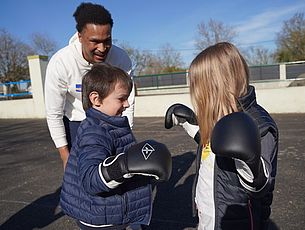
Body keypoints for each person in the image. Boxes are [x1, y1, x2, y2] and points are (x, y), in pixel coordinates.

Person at [165, 42, 278, 230]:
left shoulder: (259, 125)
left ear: (215, 86)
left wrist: (249, 161)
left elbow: (261, 186)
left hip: (235, 220)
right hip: (209, 211)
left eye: (198, 86)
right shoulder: (220, 115)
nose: (195, 93)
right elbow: (213, 148)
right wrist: (190, 123)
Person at [60, 63, 172, 230]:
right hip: (102, 219)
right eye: (121, 98)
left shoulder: (111, 124)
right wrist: (124, 165)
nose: (126, 104)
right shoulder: (95, 131)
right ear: (96, 99)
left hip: (110, 211)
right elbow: (90, 179)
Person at [44, 2, 135, 169]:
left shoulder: (120, 59)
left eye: (107, 40)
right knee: (81, 177)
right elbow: (54, 113)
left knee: (117, 172)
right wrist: (65, 156)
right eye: (95, 41)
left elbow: (127, 104)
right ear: (80, 36)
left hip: (111, 121)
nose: (102, 48)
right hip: (76, 123)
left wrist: (126, 137)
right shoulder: (61, 63)